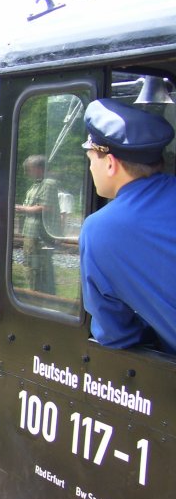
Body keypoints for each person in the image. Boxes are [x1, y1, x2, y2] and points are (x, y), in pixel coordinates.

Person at [80, 98, 176, 353]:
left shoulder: (100, 229)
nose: (90, 167)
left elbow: (115, 334)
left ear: (110, 164)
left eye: (92, 158)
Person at [15, 154, 59, 294]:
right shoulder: (37, 184)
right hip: (31, 234)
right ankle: (36, 293)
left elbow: (47, 208)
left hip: (39, 235)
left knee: (36, 267)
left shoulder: (48, 183)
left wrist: (23, 208)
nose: (27, 173)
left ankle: (40, 296)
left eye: (29, 169)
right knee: (30, 265)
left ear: (39, 168)